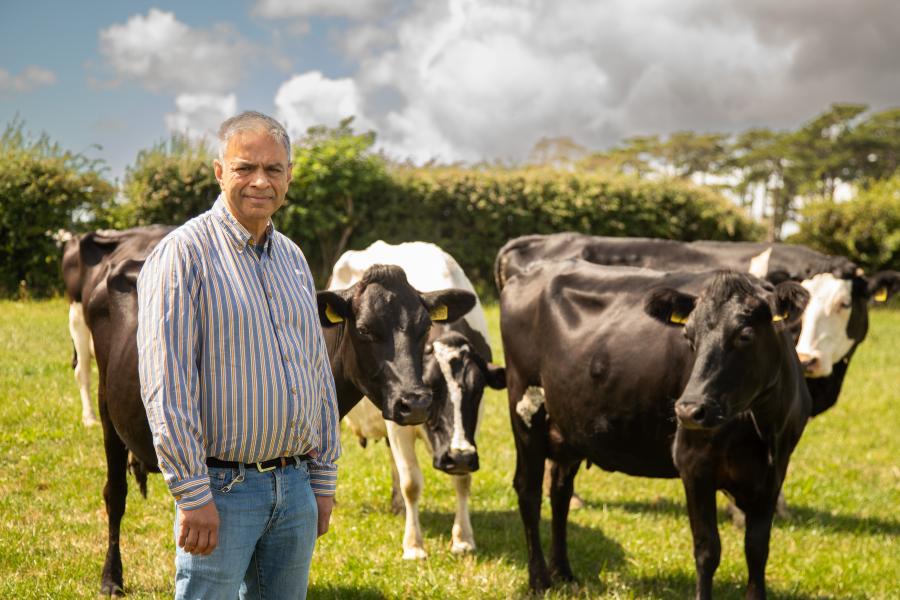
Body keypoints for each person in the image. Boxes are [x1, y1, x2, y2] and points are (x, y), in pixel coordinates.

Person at [137, 110, 341, 599]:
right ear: (218, 172)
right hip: (221, 490)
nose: (260, 182)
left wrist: (323, 478)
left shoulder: (292, 257)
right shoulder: (183, 255)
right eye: (245, 167)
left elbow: (317, 372)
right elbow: (167, 383)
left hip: (294, 488)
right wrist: (192, 492)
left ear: (288, 177)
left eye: (273, 170)